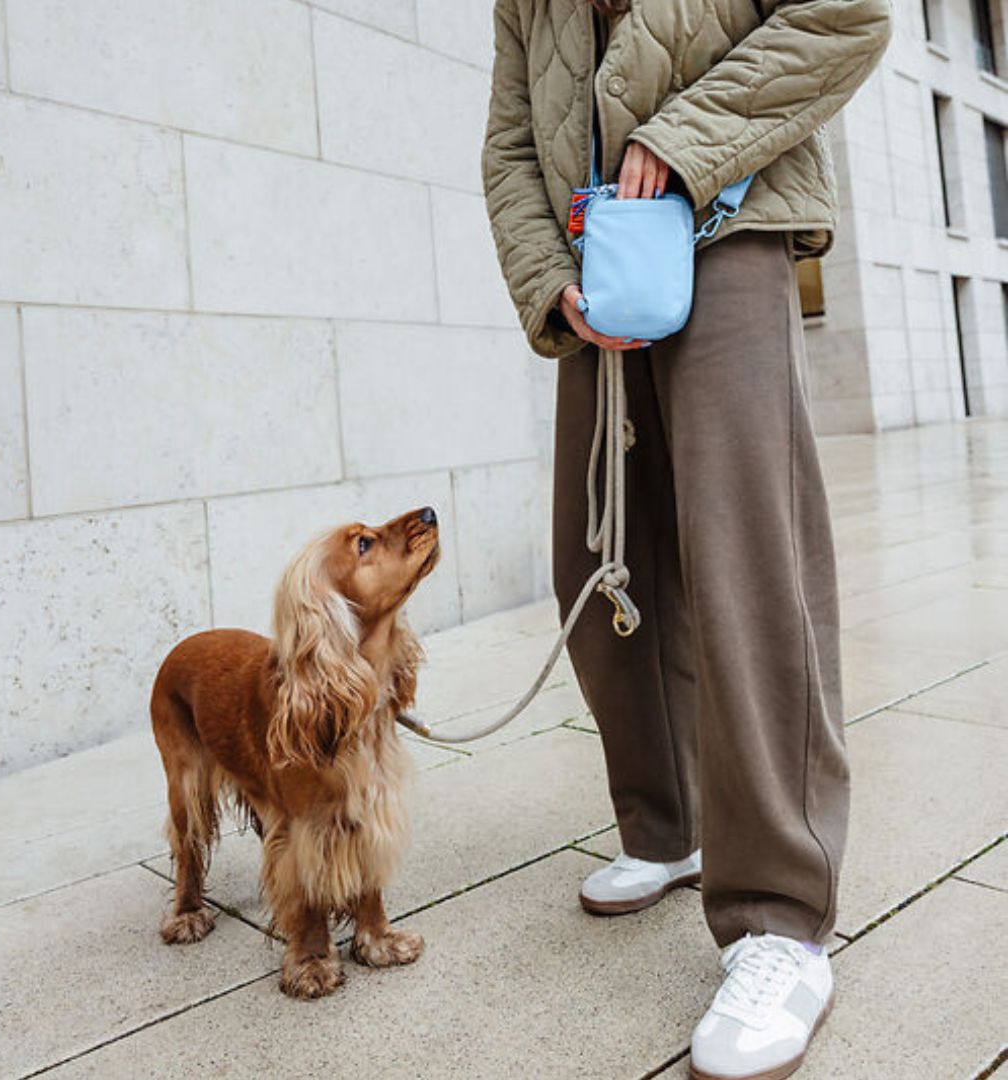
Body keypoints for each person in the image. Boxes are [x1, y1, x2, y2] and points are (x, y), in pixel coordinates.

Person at [481, 0, 892, 1077]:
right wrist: (546, 282)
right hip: (599, 263)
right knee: (599, 555)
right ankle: (668, 829)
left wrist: (683, 138)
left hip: (732, 223)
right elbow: (510, 141)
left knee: (743, 555)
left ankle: (782, 919)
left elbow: (848, 17)